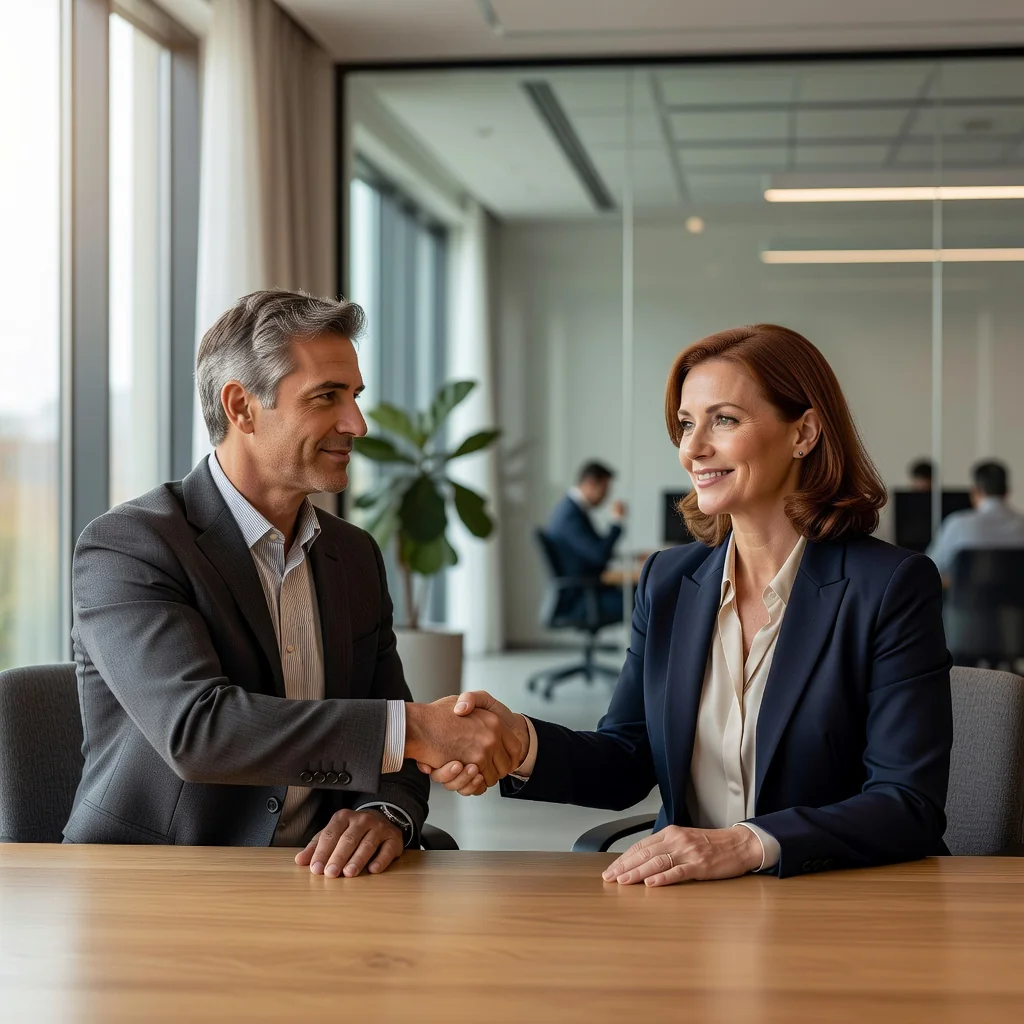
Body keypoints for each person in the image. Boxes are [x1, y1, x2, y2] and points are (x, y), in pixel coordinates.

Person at [424, 324, 953, 883]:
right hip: (691, 906)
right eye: (684, 424)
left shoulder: (889, 585)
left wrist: (749, 844)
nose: (692, 448)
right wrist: (519, 742)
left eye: (723, 419)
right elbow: (628, 758)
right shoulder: (669, 581)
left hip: (835, 900)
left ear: (805, 432)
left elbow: (907, 802)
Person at [67, 290, 523, 878]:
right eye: (326, 397)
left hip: (317, 878)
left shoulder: (353, 555)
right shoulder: (131, 545)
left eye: (355, 396)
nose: (356, 423)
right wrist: (414, 730)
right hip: (157, 880)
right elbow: (198, 731)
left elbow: (393, 736)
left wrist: (385, 812)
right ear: (242, 407)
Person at [545, 461, 628, 621]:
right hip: (582, 597)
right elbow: (599, 555)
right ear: (590, 483)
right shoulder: (570, 515)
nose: (606, 497)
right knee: (644, 599)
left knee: (642, 592)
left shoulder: (572, 509)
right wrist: (616, 522)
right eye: (604, 490)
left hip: (588, 591)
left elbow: (594, 550)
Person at [927, 460, 1024, 581]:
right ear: (1007, 490)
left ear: (975, 491)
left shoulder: (958, 524)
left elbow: (930, 569)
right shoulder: (1021, 524)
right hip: (1016, 599)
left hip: (967, 599)